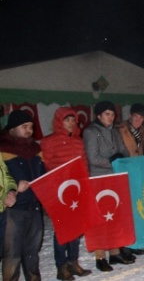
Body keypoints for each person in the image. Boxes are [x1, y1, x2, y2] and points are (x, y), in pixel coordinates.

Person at [40, 107, 93, 280]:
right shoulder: (48, 142)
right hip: (59, 193)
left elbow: (84, 165)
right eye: (67, 120)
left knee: (77, 228)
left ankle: (73, 262)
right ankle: (61, 267)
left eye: (73, 120)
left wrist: (85, 187)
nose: (71, 123)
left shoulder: (78, 141)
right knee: (62, 230)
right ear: (59, 121)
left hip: (77, 192)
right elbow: (46, 168)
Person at [83, 101, 134, 272]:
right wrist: (113, 161)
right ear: (98, 115)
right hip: (99, 180)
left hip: (114, 179)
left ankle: (114, 252)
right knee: (100, 219)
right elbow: (93, 158)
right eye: (106, 114)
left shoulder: (115, 131)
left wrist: (121, 157)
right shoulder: (91, 132)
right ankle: (100, 256)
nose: (110, 117)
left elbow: (125, 151)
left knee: (115, 217)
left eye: (112, 114)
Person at [0, 110, 45, 280]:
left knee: (32, 251)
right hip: (13, 209)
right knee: (12, 253)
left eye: (31, 127)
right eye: (24, 126)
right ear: (12, 129)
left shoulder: (35, 148)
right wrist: (12, 190)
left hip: (34, 206)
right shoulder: (3, 148)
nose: (29, 130)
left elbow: (42, 173)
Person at [116, 103, 144, 258]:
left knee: (135, 210)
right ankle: (124, 246)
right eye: (135, 117)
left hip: (137, 171)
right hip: (124, 170)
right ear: (130, 116)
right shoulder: (120, 129)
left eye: (141, 118)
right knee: (124, 210)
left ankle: (133, 243)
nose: (138, 120)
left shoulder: (143, 131)